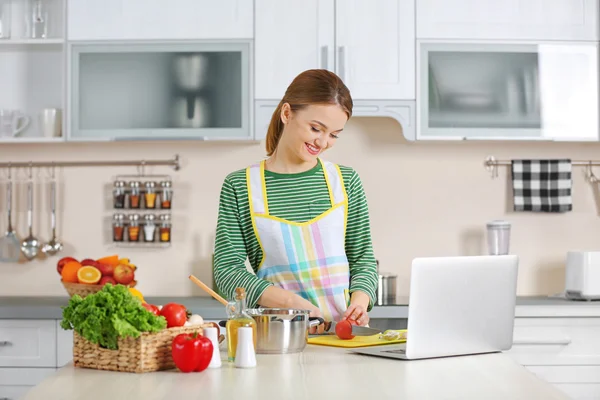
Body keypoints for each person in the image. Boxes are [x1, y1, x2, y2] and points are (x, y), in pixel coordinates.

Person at [213, 69, 378, 332]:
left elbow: (363, 261)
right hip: (278, 337)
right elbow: (227, 271)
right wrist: (290, 303)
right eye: (316, 128)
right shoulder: (240, 186)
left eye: (334, 134)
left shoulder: (345, 182)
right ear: (287, 113)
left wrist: (360, 300)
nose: (323, 142)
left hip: (341, 339)